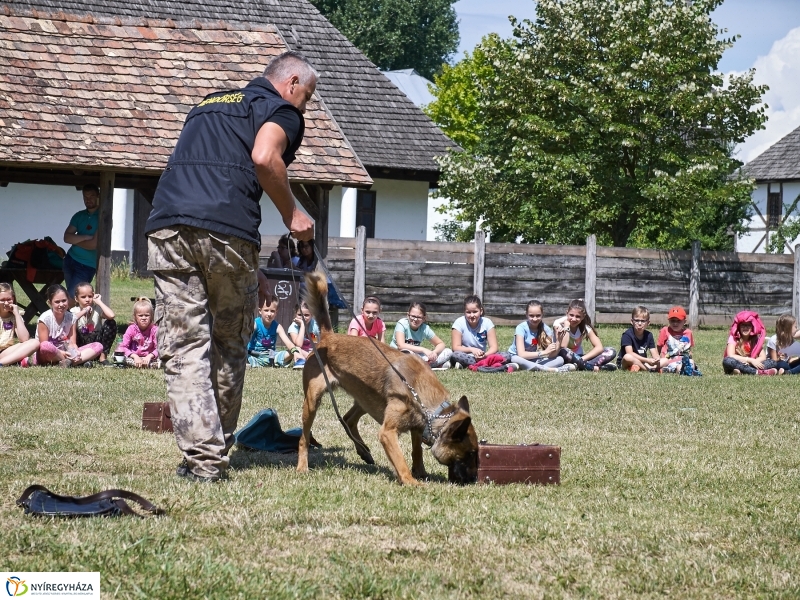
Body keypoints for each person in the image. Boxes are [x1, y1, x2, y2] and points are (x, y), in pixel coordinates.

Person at [145, 51, 316, 482]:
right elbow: (264, 157)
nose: (304, 107)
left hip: (167, 228)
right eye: (307, 97)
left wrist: (251, 271)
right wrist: (294, 215)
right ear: (291, 82)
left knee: (184, 348)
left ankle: (202, 460)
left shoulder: (205, 104)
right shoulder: (281, 110)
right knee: (228, 343)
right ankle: (211, 454)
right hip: (228, 231)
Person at [34, 284, 103, 367]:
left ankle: (66, 362)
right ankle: (71, 362)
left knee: (98, 346)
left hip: (66, 352)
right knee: (45, 346)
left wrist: (75, 351)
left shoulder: (71, 317)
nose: (61, 304)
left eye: (64, 301)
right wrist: (64, 354)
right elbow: (42, 345)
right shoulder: (45, 319)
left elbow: (72, 343)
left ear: (68, 300)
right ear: (50, 302)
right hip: (47, 355)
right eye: (57, 302)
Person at [553, 299, 617, 371]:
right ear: (567, 313)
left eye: (578, 316)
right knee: (564, 351)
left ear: (583, 317)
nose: (574, 319)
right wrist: (567, 327)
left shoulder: (585, 327)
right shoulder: (558, 323)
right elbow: (563, 346)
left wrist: (581, 360)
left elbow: (599, 347)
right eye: (571, 315)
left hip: (579, 357)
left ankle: (579, 365)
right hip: (563, 357)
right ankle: (593, 367)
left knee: (611, 351)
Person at [62, 184, 100, 302]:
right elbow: (67, 237)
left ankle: (62, 319)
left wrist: (76, 240)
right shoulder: (79, 215)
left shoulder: (103, 217)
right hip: (70, 260)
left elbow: (93, 245)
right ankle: (74, 319)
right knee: (73, 296)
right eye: (85, 197)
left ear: (98, 196)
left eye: (92, 196)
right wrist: (85, 237)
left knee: (72, 297)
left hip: (86, 265)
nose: (88, 199)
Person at [390, 302, 453, 369]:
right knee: (407, 353)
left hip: (417, 356)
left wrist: (434, 353)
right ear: (408, 315)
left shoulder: (425, 328)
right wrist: (423, 350)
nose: (415, 319)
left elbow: (441, 344)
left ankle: (423, 365)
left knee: (448, 351)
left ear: (424, 318)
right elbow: (401, 345)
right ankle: (430, 365)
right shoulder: (402, 324)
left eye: (419, 317)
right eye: (413, 316)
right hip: (398, 354)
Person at [508, 300, 564, 371]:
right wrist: (544, 352)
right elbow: (521, 354)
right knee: (515, 358)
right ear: (526, 314)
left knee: (560, 359)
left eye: (538, 315)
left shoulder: (546, 329)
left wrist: (559, 339)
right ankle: (546, 369)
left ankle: (535, 367)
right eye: (531, 316)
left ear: (542, 314)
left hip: (535, 359)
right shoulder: (521, 328)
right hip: (520, 357)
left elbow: (552, 355)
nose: (535, 319)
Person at [70, 282, 116, 366]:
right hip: (80, 344)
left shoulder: (97, 310)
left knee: (111, 323)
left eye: (90, 296)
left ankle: (102, 357)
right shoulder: (74, 311)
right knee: (71, 327)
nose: (87, 299)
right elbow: (70, 320)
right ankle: (84, 359)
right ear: (76, 299)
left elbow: (111, 315)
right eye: (83, 297)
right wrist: (84, 311)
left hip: (96, 341)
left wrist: (99, 302)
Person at [247, 294, 299, 368]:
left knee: (292, 352)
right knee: (241, 354)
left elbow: (288, 343)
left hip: (271, 356)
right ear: (260, 311)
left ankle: (259, 364)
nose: (269, 314)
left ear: (276, 312)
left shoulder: (278, 327)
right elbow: (245, 336)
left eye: (272, 311)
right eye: (266, 310)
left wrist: (295, 352)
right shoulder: (255, 324)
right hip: (254, 354)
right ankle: (252, 363)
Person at [450, 295, 500, 369]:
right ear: (464, 312)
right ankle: (482, 363)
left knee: (506, 355)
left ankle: (473, 363)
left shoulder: (487, 322)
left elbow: (494, 347)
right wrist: (472, 350)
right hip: (466, 355)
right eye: (468, 312)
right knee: (455, 355)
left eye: (475, 312)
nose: (472, 315)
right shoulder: (459, 323)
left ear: (481, 311)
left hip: (484, 356)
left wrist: (485, 355)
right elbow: (455, 347)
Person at [722, 311, 778, 375]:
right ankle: (757, 372)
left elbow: (763, 357)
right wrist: (750, 360)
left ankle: (742, 371)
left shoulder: (755, 339)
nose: (745, 328)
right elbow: (730, 355)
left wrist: (754, 362)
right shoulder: (734, 337)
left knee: (772, 362)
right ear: (739, 327)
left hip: (750, 364)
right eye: (743, 325)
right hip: (737, 363)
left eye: (748, 325)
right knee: (727, 361)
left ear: (752, 327)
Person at [0, 282, 39, 367]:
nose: (6, 303)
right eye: (2, 300)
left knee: (34, 342)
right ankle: (14, 361)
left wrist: (16, 314)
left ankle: (3, 362)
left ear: (13, 299)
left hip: (5, 352)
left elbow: (24, 339)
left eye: (9, 299)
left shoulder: (15, 316)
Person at [617, 306, 663, 372]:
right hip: (626, 362)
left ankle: (637, 367)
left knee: (665, 360)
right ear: (632, 321)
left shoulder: (649, 335)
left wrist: (656, 359)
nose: (639, 323)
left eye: (643, 321)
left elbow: (654, 353)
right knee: (628, 357)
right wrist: (647, 360)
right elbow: (629, 353)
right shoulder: (627, 334)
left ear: (648, 323)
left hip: (642, 361)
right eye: (637, 320)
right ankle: (649, 370)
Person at [118, 298, 160, 369]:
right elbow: (123, 347)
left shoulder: (155, 330)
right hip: (133, 357)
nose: (144, 318)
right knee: (117, 355)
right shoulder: (131, 329)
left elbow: (159, 348)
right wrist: (134, 356)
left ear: (151, 316)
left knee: (164, 356)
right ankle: (149, 365)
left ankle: (147, 364)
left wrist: (149, 356)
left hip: (150, 357)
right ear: (135, 317)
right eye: (140, 315)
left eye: (147, 315)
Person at [656, 306, 699, 374]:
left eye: (678, 321)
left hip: (683, 359)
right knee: (678, 367)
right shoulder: (665, 331)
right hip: (669, 359)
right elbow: (659, 346)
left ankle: (688, 370)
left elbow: (689, 349)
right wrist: (658, 358)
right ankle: (681, 371)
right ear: (669, 320)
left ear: (684, 321)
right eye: (672, 320)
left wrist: (689, 357)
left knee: (691, 362)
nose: (675, 323)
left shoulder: (688, 333)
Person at [287, 301, 320, 369]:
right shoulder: (293, 327)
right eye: (300, 315)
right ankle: (302, 361)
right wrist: (302, 326)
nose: (303, 317)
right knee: (297, 348)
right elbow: (299, 344)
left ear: (311, 315)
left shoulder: (314, 325)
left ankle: (314, 361)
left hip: (313, 352)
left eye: (306, 315)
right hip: (301, 352)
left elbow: (317, 342)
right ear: (295, 314)